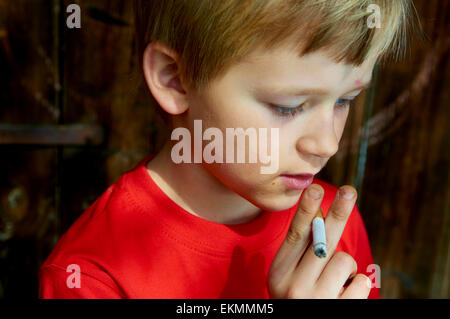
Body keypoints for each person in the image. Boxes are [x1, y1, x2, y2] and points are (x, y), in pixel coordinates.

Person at [39, 0, 419, 299]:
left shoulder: (334, 227)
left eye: (345, 100)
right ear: (175, 79)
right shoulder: (92, 277)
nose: (328, 144)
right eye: (288, 106)